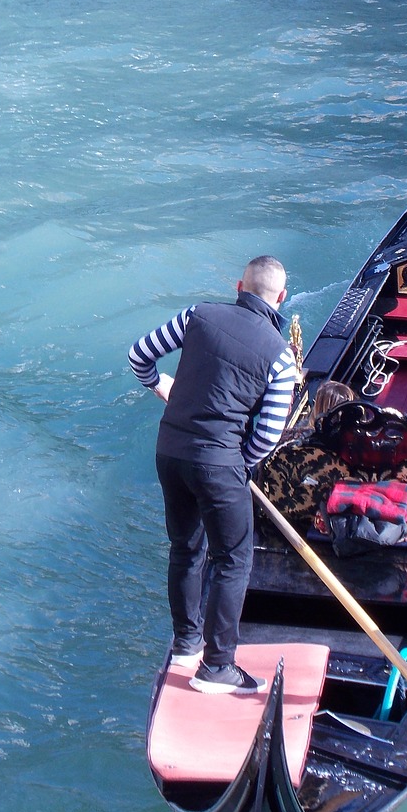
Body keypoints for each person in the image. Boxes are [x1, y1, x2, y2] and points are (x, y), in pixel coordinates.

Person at [128, 256, 297, 695]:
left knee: (185, 548)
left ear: (240, 284)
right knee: (234, 560)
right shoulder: (281, 356)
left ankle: (186, 644)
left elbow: (139, 355)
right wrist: (236, 461)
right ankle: (217, 667)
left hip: (171, 451)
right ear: (281, 298)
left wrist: (159, 387)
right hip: (221, 463)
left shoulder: (198, 314)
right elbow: (269, 434)